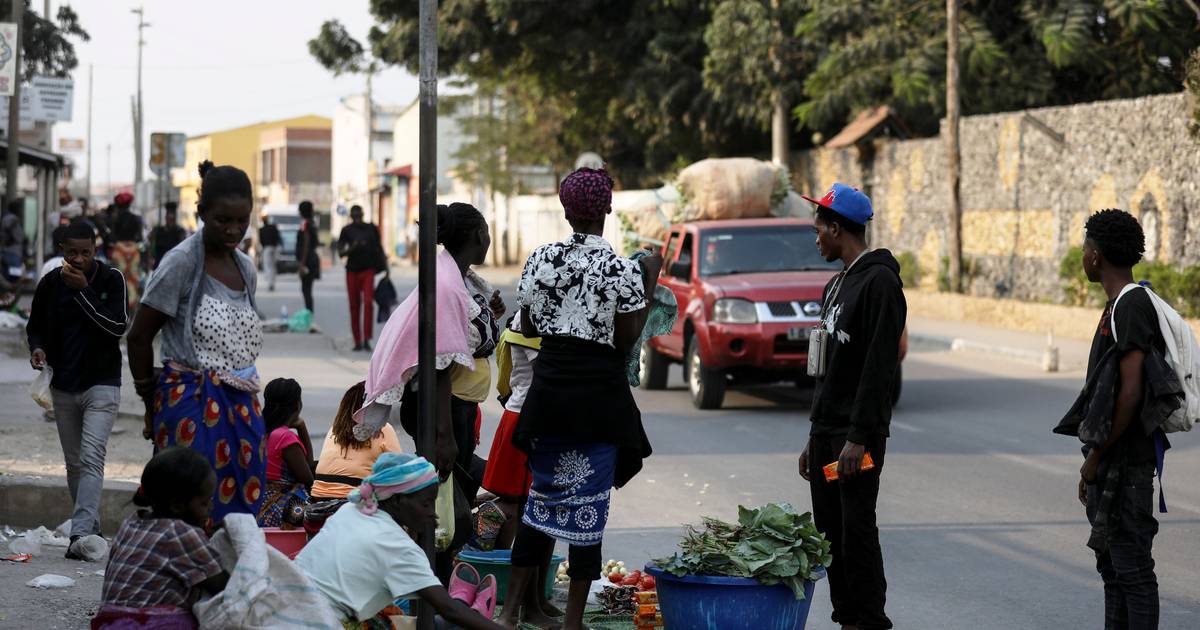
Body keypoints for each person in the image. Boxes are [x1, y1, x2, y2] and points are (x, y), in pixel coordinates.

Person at [500, 167, 659, 630]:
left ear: (565, 209)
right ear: (607, 208)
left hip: (549, 396)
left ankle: (509, 613)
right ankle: (572, 623)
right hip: (598, 403)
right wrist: (649, 281)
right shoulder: (621, 268)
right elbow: (627, 341)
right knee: (588, 510)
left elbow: (527, 326)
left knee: (537, 504)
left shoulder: (540, 258)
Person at [360, 202, 503, 579]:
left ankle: (434, 586)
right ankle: (431, 589)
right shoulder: (446, 284)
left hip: (454, 408)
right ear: (478, 235)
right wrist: (443, 434)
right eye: (487, 231)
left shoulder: (455, 278)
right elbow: (439, 364)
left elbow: (463, 341)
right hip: (443, 409)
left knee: (451, 499)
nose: (489, 238)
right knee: (443, 511)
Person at [127, 160, 265, 528]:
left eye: (242, 220)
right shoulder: (180, 264)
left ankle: (227, 583)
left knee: (241, 510)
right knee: (186, 504)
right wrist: (148, 401)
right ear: (201, 212)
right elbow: (139, 336)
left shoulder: (245, 268)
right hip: (189, 403)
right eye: (223, 221)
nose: (234, 230)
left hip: (239, 404)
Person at [796, 183, 905, 630]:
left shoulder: (880, 282)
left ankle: (870, 619)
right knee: (830, 534)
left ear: (837, 228)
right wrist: (814, 435)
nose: (815, 236)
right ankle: (847, 618)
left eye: (819, 228)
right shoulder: (836, 284)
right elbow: (827, 368)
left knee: (857, 530)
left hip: (855, 438)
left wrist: (858, 437)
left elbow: (879, 367)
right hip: (828, 433)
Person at [1074, 209, 1167, 629]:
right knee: (1113, 572)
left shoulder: (1131, 305)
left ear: (1096, 256)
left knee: (1133, 572)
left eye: (1084, 247)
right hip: (1113, 462)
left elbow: (1130, 393)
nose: (1082, 254)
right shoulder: (1119, 303)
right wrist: (1092, 461)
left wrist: (1097, 456)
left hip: (1127, 465)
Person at [296, 453, 503, 630]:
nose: (433, 513)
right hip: (326, 622)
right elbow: (448, 609)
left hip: (292, 607)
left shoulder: (353, 510)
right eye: (426, 504)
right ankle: (466, 613)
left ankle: (458, 610)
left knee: (388, 609)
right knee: (441, 612)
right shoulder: (394, 544)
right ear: (396, 500)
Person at [26, 220, 128, 558]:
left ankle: (79, 533)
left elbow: (116, 328)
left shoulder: (111, 280)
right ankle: (91, 529)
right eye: (72, 253)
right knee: (74, 463)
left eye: (85, 252)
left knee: (91, 457)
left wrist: (83, 291)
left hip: (102, 384)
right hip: (64, 385)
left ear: (95, 251)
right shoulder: (50, 284)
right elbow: (34, 326)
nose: (79, 258)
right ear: (62, 252)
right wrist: (37, 349)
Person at [94, 447, 228, 629]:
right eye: (204, 503)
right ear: (176, 505)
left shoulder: (132, 523)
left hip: (108, 622)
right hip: (150, 624)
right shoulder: (180, 532)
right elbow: (222, 584)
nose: (210, 508)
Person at [257, 378, 315, 529]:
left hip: (257, 501)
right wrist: (302, 428)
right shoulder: (284, 437)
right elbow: (308, 477)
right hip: (277, 510)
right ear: (297, 405)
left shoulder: (258, 430)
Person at [338, 205, 385, 351]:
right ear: (351, 216)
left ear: (363, 214)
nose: (357, 217)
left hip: (368, 270)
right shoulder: (346, 230)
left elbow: (379, 248)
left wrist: (387, 268)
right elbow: (341, 252)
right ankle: (357, 340)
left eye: (359, 214)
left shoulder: (371, 229)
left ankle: (367, 339)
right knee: (354, 305)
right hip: (352, 271)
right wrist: (353, 247)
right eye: (355, 215)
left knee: (368, 303)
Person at [109, 192, 144, 312]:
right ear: (129, 205)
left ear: (118, 206)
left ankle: (119, 307)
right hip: (133, 252)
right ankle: (132, 306)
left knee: (119, 279)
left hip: (119, 251)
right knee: (133, 279)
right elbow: (140, 237)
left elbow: (112, 237)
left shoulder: (115, 219)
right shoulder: (136, 218)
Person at [296, 200, 321, 312]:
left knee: (306, 289)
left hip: (308, 260)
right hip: (312, 259)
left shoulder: (305, 224)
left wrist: (302, 263)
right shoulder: (312, 223)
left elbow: (306, 243)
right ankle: (309, 314)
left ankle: (309, 315)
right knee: (307, 289)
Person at [149, 202, 188, 271]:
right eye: (169, 217)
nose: (171, 220)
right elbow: (151, 250)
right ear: (166, 217)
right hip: (159, 267)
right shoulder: (157, 231)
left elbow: (183, 252)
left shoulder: (180, 232)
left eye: (173, 218)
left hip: (174, 268)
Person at [258, 214, 281, 292]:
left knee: (268, 266)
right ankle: (272, 282)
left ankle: (270, 282)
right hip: (274, 248)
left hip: (267, 248)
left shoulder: (261, 229)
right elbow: (278, 237)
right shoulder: (273, 227)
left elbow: (261, 241)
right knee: (273, 266)